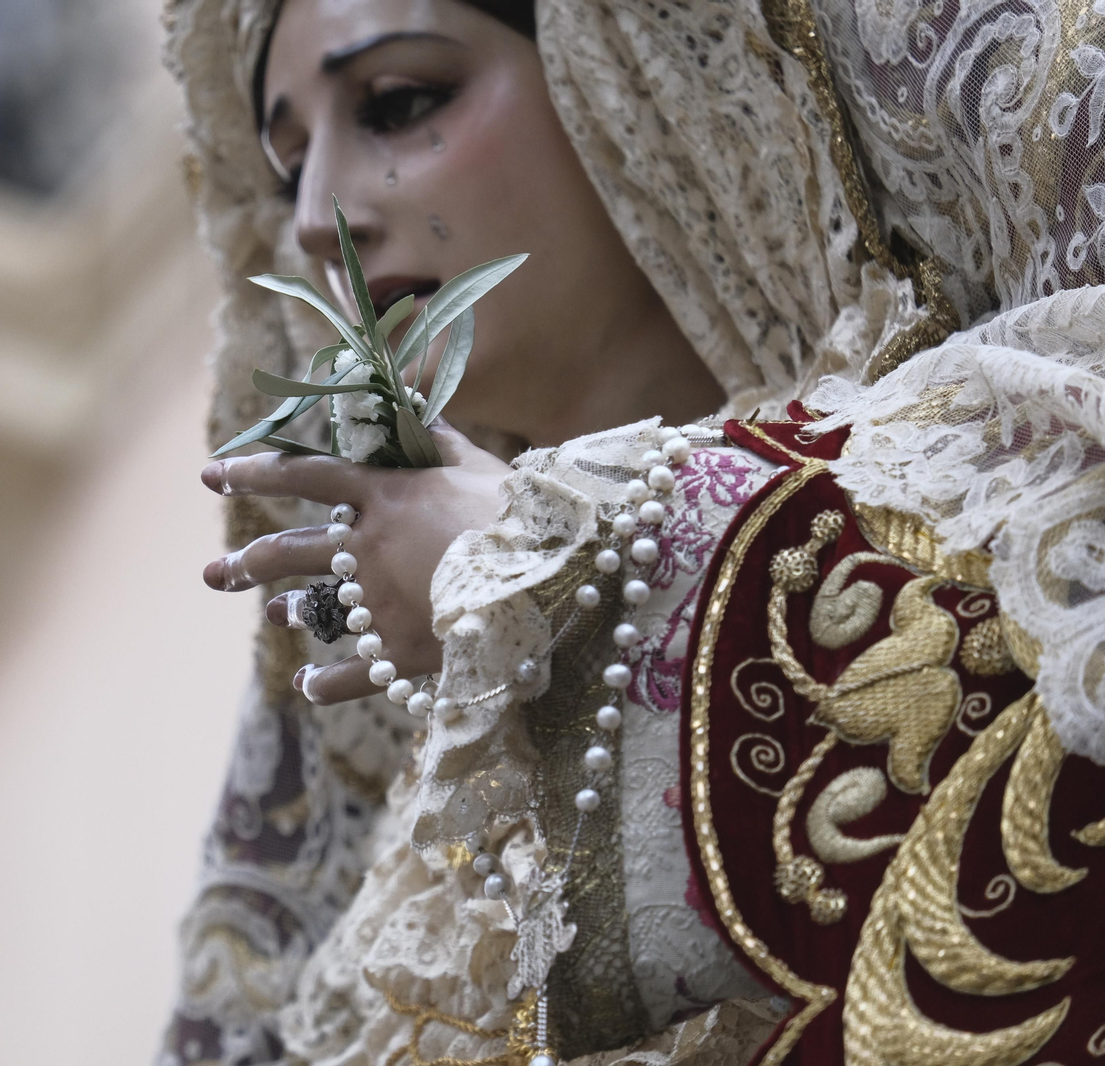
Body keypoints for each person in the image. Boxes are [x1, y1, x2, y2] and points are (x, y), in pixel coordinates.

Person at [161, 0, 1105, 1062]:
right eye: (289, 169)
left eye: (397, 101)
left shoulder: (1000, 449)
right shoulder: (415, 865)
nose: (313, 216)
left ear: (621, 67)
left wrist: (572, 568)